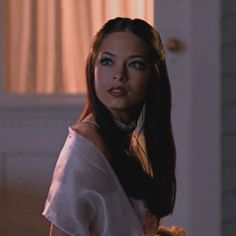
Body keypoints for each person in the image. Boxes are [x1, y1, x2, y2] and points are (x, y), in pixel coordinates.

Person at [42, 17, 185, 236]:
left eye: (135, 64)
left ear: (153, 76)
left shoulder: (128, 140)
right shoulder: (82, 152)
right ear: (93, 68)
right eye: (107, 61)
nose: (119, 75)